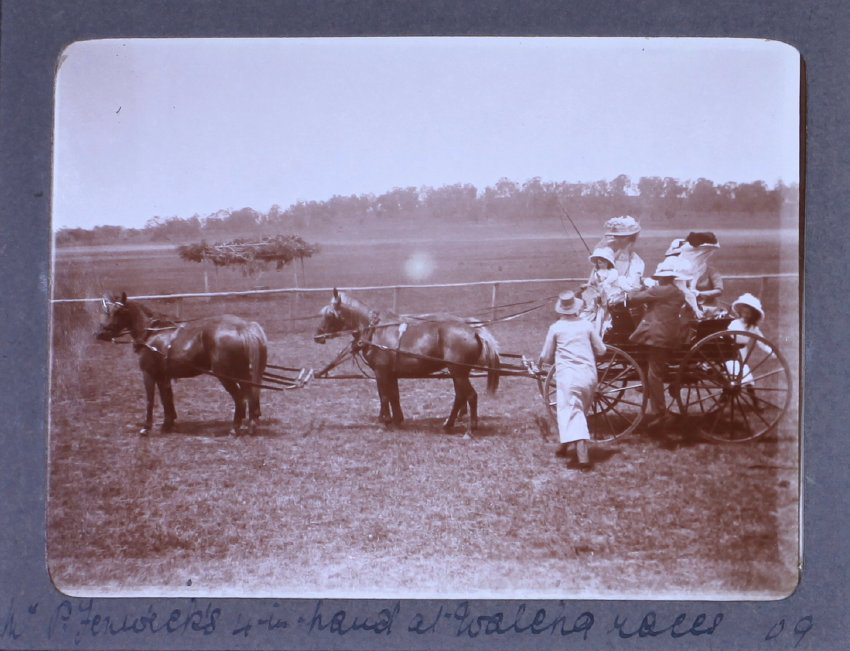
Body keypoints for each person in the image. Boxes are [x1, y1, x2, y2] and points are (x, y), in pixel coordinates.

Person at [538, 290, 607, 467]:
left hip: (569, 377)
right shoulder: (586, 325)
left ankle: (583, 459)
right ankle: (564, 446)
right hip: (589, 376)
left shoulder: (556, 328)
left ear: (561, 310)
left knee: (572, 412)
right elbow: (602, 350)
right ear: (576, 308)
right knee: (578, 410)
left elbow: (546, 357)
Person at [626, 259, 688, 427]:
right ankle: (652, 400)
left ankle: (660, 412)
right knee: (653, 371)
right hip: (665, 335)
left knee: (655, 374)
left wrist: (636, 287)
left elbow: (633, 299)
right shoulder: (675, 291)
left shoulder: (661, 290)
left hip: (657, 337)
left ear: (661, 277)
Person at [725, 293, 772, 390]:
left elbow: (761, 341)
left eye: (748, 313)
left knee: (746, 375)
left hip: (742, 353)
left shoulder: (753, 327)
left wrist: (770, 351)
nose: (746, 315)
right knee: (735, 373)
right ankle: (725, 396)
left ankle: (754, 401)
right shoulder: (734, 323)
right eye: (744, 312)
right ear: (740, 312)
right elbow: (726, 335)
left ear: (753, 315)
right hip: (730, 352)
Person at [595, 215, 645, 292]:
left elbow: (633, 284)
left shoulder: (635, 260)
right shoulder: (606, 252)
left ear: (630, 239)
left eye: (622, 238)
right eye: (616, 237)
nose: (617, 240)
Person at [580, 246, 622, 335]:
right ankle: (590, 315)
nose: (600, 263)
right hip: (598, 292)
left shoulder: (613, 272)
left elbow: (608, 282)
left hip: (610, 292)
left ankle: (603, 323)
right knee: (590, 299)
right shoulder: (597, 272)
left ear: (608, 262)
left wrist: (601, 284)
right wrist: (588, 285)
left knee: (604, 304)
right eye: (599, 262)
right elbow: (593, 283)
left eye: (602, 261)